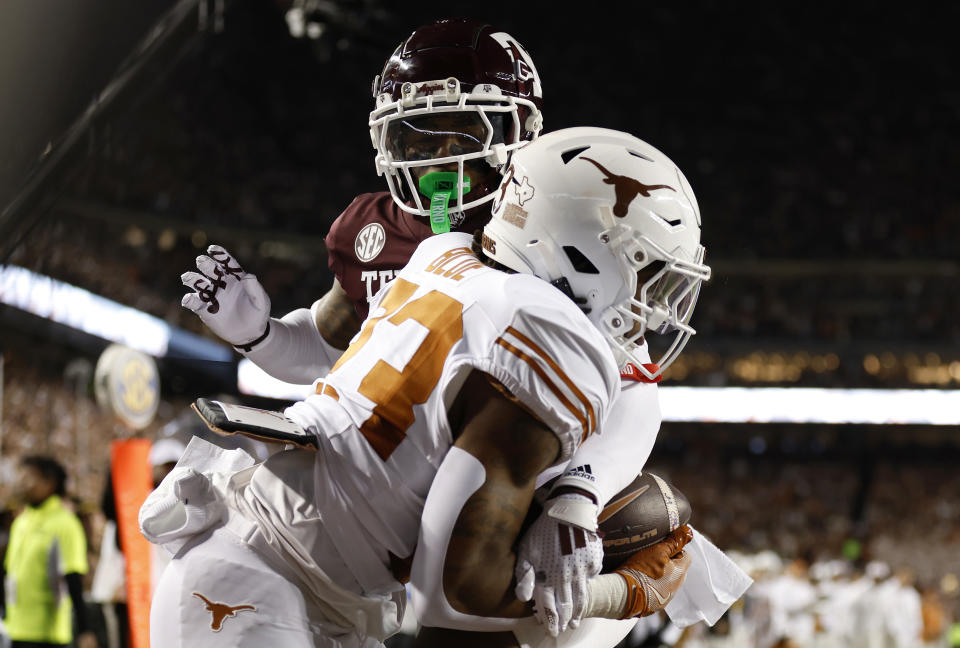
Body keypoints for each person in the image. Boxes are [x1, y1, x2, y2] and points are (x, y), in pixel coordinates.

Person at [178, 18, 718, 646]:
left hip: (437, 486)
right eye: (415, 136)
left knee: (604, 527)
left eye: (465, 130)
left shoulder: (543, 228)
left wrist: (578, 491)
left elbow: (633, 388)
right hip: (374, 500)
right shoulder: (382, 232)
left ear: (520, 135)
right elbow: (335, 355)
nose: (438, 156)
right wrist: (264, 338)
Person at [2, 456, 97, 648]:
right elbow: (8, 572)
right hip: (15, 628)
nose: (22, 483)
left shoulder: (65, 524)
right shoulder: (21, 522)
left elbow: (73, 579)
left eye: (29, 477)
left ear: (50, 483)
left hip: (48, 635)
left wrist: (85, 630)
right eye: (21, 476)